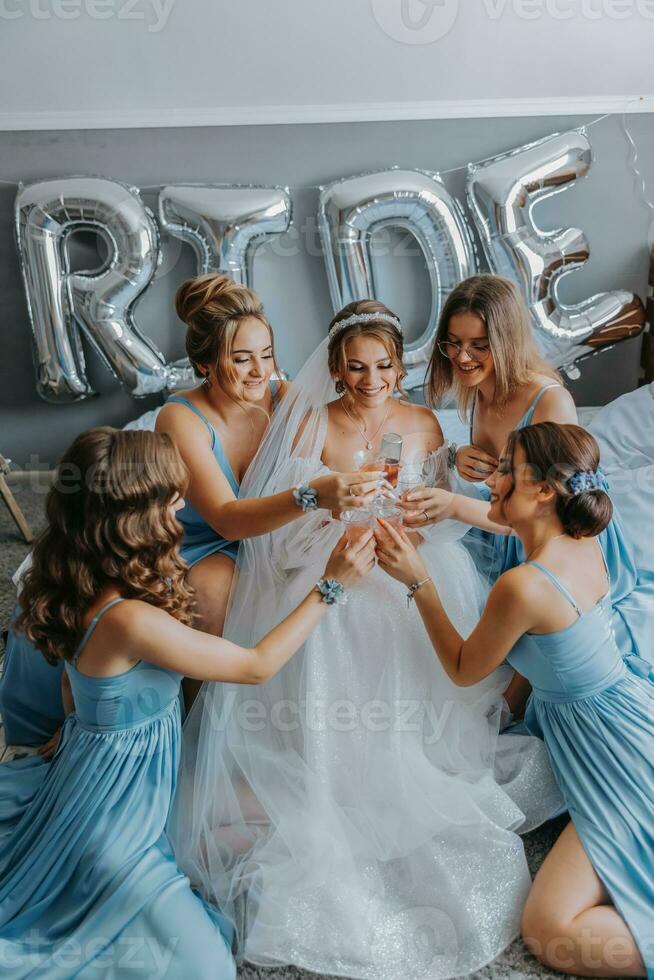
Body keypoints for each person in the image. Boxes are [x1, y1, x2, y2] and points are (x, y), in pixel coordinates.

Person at [172, 302, 563, 980]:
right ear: (335, 369)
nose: (371, 379)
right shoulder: (311, 424)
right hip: (334, 566)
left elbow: (444, 511)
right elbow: (279, 538)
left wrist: (417, 522)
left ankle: (412, 743)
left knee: (413, 610)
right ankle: (334, 759)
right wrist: (335, 517)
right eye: (355, 367)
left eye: (383, 366)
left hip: (410, 562)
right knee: (340, 621)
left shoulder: (423, 422)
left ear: (401, 368)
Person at [0, 426, 375, 978]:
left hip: (115, 774)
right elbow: (255, 665)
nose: (184, 505)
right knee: (205, 968)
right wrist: (331, 585)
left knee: (286, 806)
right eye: (173, 498)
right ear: (136, 517)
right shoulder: (130, 619)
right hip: (117, 822)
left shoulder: (78, 575)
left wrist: (79, 727)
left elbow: (67, 685)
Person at [377, 421, 653, 978]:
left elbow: (461, 668)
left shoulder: (523, 585)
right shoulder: (587, 535)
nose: (492, 480)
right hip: (628, 710)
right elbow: (502, 526)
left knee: (552, 930)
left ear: (545, 491)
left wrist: (418, 580)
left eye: (506, 470)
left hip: (617, 757)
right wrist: (455, 504)